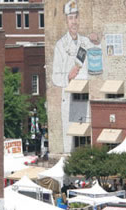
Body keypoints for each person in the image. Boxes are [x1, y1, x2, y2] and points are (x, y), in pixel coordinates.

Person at [52, 0, 100, 153]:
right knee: (71, 139)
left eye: (76, 17)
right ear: (66, 20)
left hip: (85, 96)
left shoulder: (85, 42)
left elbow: (97, 63)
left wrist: (97, 42)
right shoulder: (60, 45)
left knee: (86, 134)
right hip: (70, 98)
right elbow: (54, 77)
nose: (74, 21)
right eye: (71, 18)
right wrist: (67, 77)